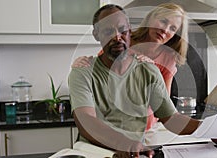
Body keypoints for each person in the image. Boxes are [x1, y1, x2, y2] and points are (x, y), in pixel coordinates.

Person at [68, 4, 200, 158]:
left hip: (134, 152)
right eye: (108, 31)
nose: (117, 37)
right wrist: (124, 143)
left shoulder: (150, 71)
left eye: (122, 30)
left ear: (129, 31)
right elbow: (86, 120)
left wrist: (211, 127)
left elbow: (171, 118)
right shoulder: (83, 72)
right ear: (96, 35)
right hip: (95, 152)